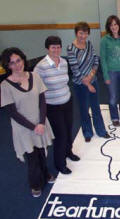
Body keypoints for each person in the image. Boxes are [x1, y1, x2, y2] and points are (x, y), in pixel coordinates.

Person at [1, 47, 55, 197]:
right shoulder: (5, 86)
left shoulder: (34, 76)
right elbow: (12, 113)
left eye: (18, 60)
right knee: (32, 157)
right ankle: (35, 184)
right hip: (24, 128)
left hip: (40, 122)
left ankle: (46, 174)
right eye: (12, 63)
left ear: (23, 59)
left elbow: (42, 100)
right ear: (7, 66)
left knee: (42, 152)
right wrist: (33, 127)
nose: (17, 65)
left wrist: (42, 122)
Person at [34, 36, 79, 175]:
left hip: (67, 101)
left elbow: (65, 81)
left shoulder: (64, 62)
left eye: (58, 47)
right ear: (48, 48)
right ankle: (60, 164)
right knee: (61, 135)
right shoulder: (41, 67)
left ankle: (68, 152)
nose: (56, 50)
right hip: (52, 106)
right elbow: (36, 88)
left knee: (69, 129)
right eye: (53, 47)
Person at [67, 22, 110, 142]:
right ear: (76, 33)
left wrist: (91, 75)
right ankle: (87, 133)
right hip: (80, 85)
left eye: (85, 33)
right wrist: (88, 84)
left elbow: (96, 59)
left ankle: (101, 131)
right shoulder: (71, 48)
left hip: (93, 80)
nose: (83, 36)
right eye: (81, 33)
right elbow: (75, 70)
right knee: (84, 109)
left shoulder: (89, 44)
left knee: (96, 107)